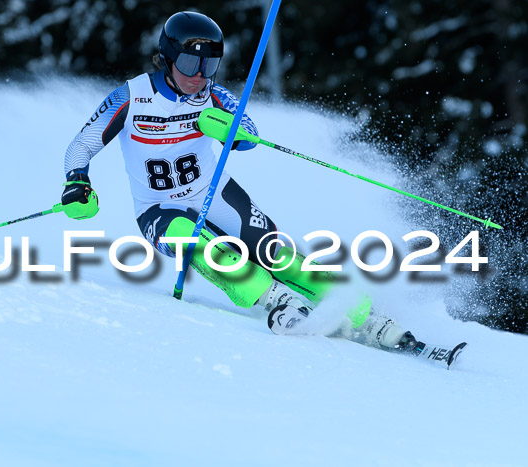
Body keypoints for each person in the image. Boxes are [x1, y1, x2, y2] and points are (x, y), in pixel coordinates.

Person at [60, 11, 421, 354]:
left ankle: (361, 312)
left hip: (214, 191)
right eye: (190, 63)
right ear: (167, 58)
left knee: (271, 250)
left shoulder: (213, 95)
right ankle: (273, 299)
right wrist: (77, 182)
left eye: (209, 66)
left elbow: (250, 132)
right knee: (192, 239)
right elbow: (81, 145)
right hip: (158, 209)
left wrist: (228, 130)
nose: (199, 75)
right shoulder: (131, 96)